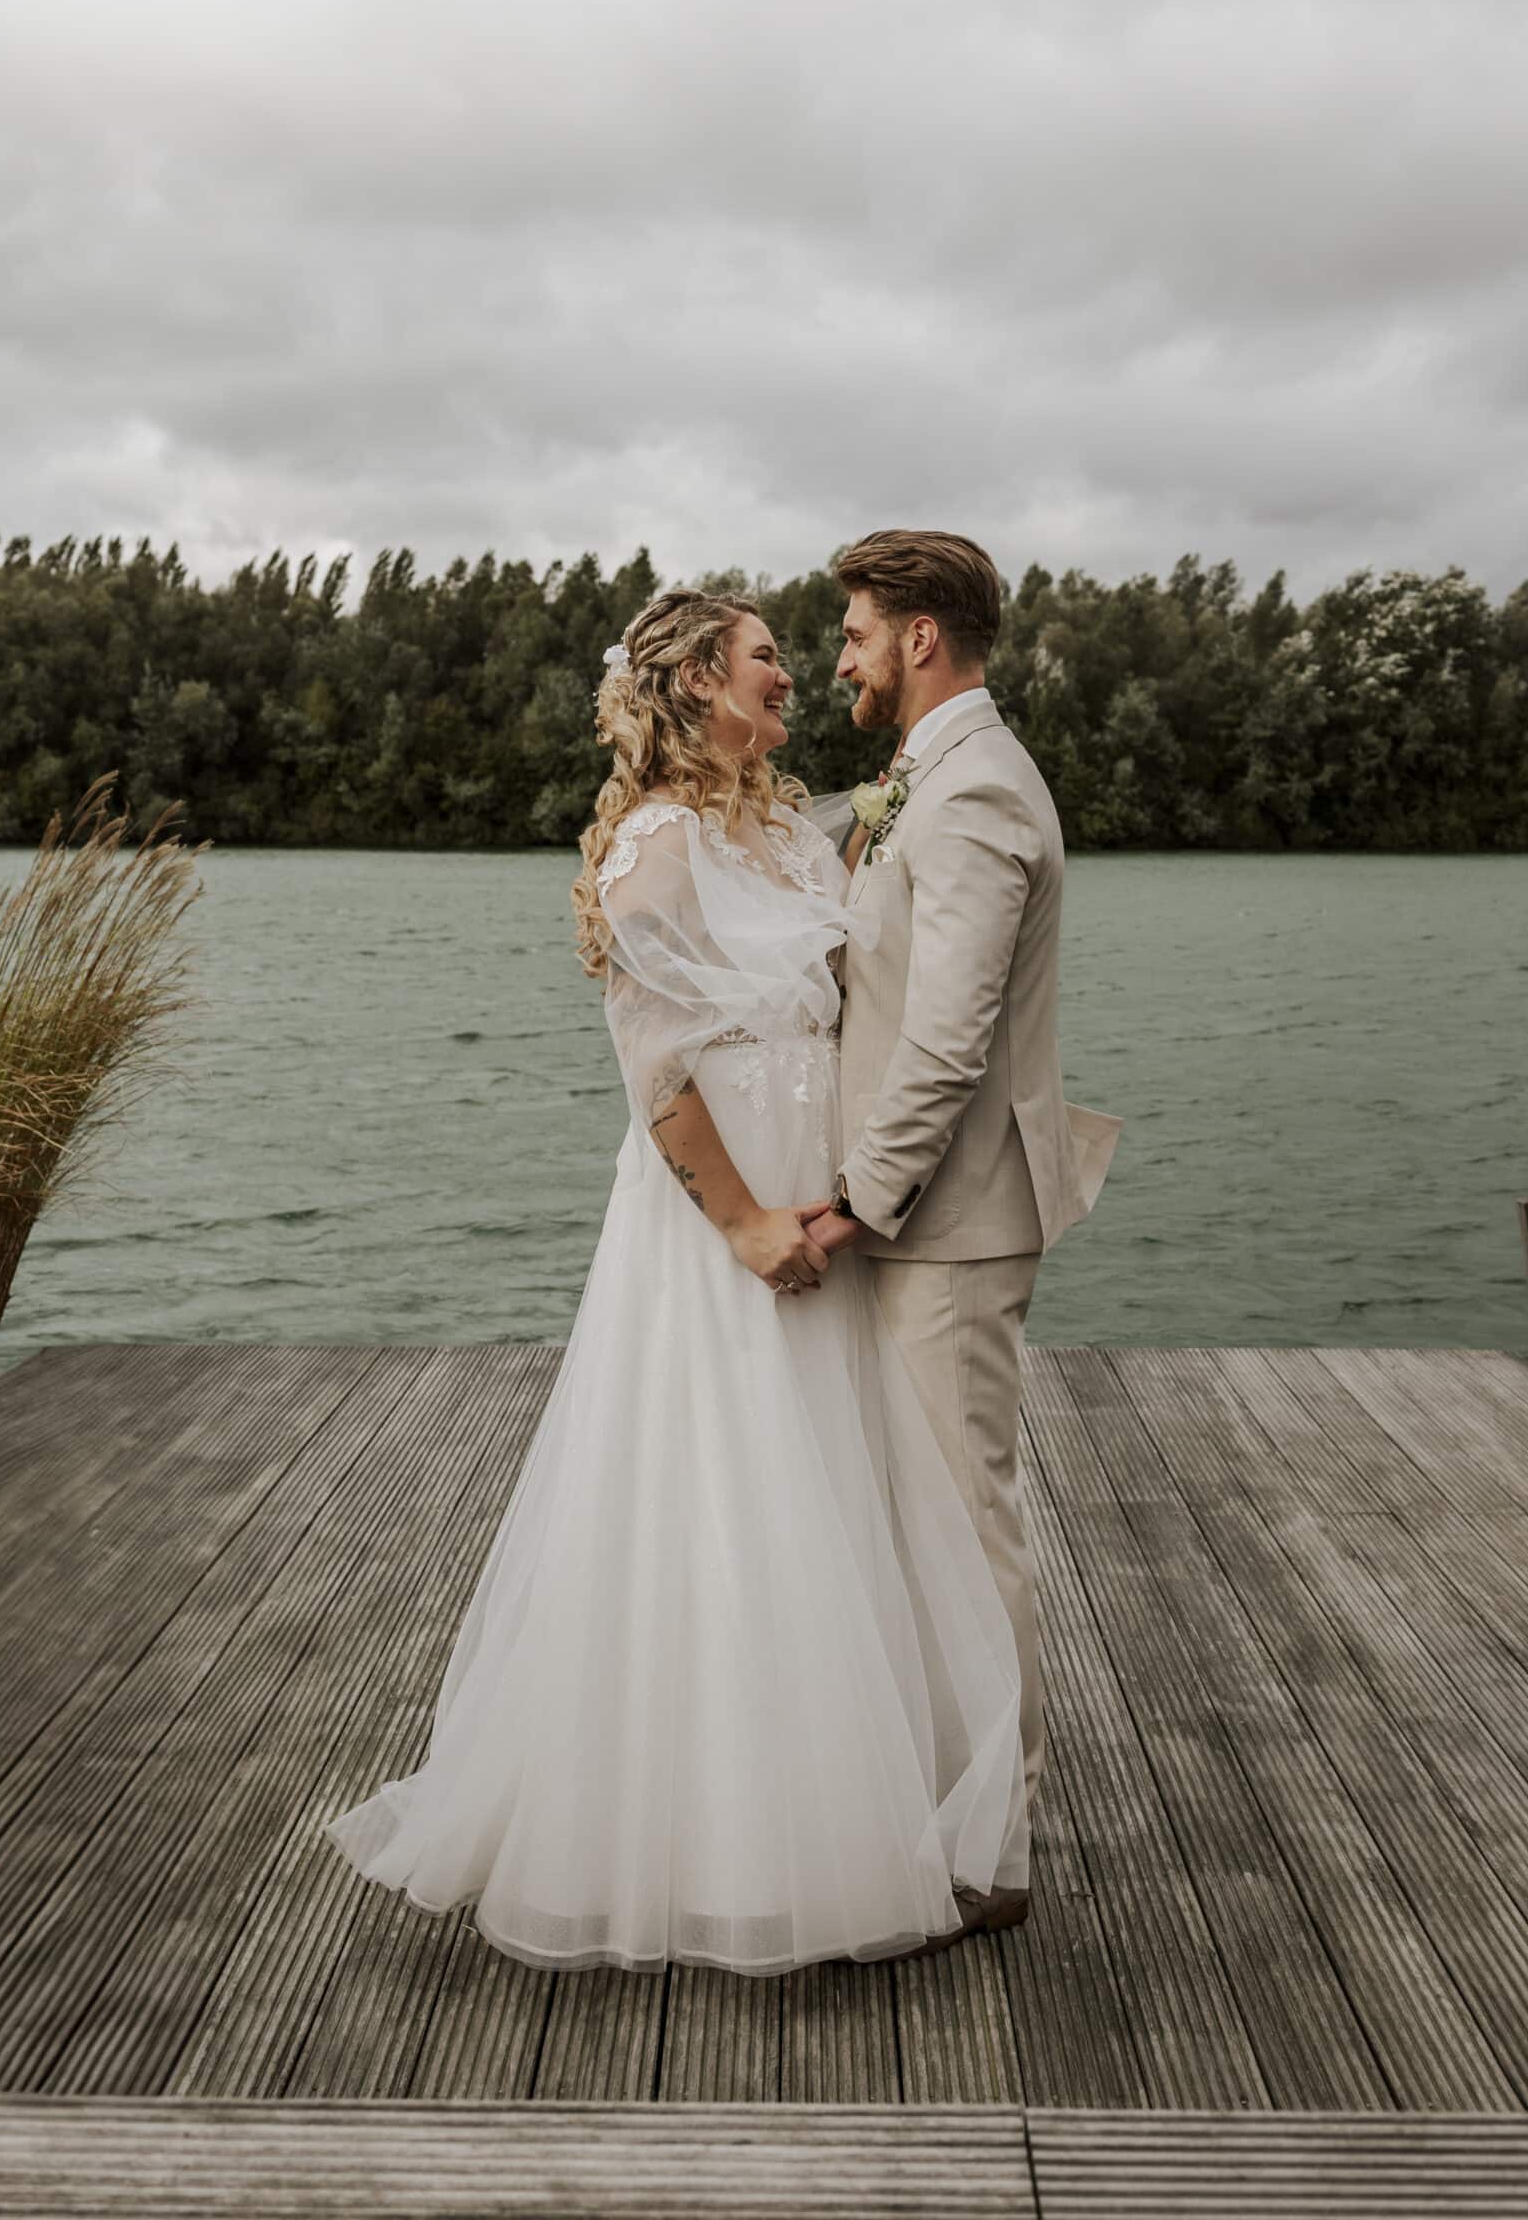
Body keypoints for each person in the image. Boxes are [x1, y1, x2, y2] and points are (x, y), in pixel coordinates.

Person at [321, 586, 1031, 1975]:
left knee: (825, 1499)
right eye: (769, 659)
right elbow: (655, 1074)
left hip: (820, 1191)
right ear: (700, 681)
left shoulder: (784, 824)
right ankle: (709, 1843)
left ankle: (840, 1801)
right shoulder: (650, 846)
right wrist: (745, 1225)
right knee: (721, 1495)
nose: (794, 678)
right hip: (729, 1209)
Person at [802, 530, 1122, 1860]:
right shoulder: (919, 784)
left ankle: (990, 1847)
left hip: (944, 1228)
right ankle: (919, 1800)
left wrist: (854, 1205)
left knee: (961, 1527)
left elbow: (947, 1038)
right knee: (916, 1524)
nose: (842, 658)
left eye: (856, 633)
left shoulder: (977, 792)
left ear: (920, 637)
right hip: (919, 1222)